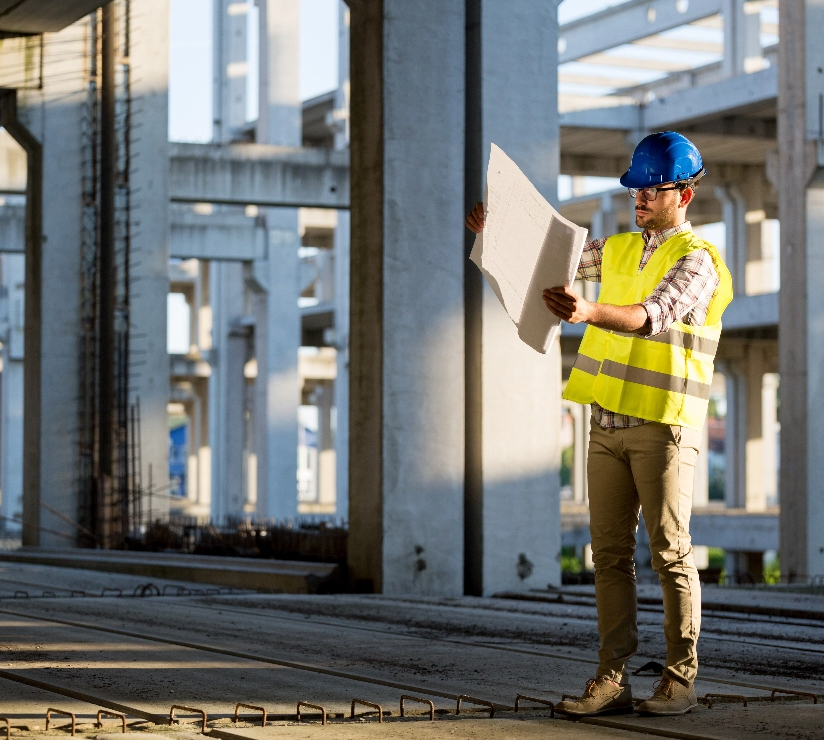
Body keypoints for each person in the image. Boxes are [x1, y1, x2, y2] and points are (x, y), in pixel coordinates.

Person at [465, 131, 732, 717]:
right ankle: (612, 679)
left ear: (683, 195)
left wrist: (587, 312)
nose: (640, 199)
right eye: (636, 190)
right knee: (608, 556)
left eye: (653, 191)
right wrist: (496, 232)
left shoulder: (698, 262)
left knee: (669, 552)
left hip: (664, 426)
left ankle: (679, 679)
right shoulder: (615, 251)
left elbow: (650, 316)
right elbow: (550, 258)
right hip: (607, 424)